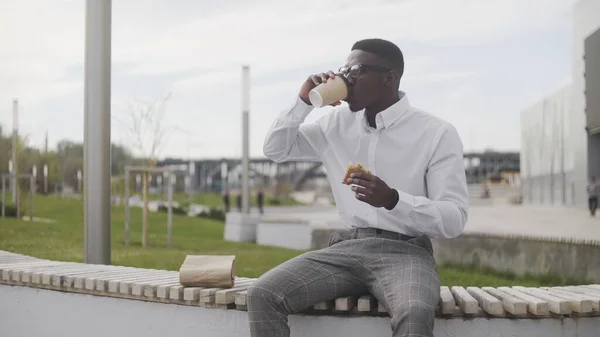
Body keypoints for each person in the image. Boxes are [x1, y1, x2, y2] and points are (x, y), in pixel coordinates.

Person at [247, 38, 469, 337]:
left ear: (389, 77)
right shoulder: (334, 124)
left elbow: (454, 218)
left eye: (356, 71)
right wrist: (302, 103)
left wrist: (393, 199)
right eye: (345, 70)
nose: (346, 78)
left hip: (406, 252)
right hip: (346, 248)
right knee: (263, 294)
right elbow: (276, 150)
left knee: (414, 314)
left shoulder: (436, 133)